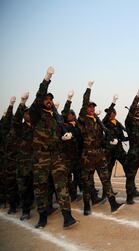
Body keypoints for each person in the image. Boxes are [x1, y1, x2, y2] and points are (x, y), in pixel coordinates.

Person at [29, 66, 78, 229]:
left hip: (57, 156)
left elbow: (62, 130)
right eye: (46, 99)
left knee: (61, 185)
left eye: (50, 99)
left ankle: (67, 216)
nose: (48, 100)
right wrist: (47, 79)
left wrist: (66, 137)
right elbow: (38, 97)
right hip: (41, 157)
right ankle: (42, 216)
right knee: (41, 188)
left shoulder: (57, 118)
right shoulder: (36, 113)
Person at [78, 80, 124, 216]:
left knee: (106, 180)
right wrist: (88, 88)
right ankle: (87, 206)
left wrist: (111, 142)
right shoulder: (83, 119)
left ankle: (113, 203)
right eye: (89, 107)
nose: (91, 109)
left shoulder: (97, 121)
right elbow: (84, 102)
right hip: (88, 156)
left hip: (99, 154)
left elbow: (101, 138)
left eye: (93, 107)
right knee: (87, 183)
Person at [13, 92, 35, 220]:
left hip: (36, 163)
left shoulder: (36, 127)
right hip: (23, 164)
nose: (28, 115)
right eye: (26, 113)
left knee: (36, 188)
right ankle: (25, 210)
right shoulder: (20, 128)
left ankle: (34, 205)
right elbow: (16, 120)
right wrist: (21, 104)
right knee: (24, 188)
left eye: (29, 113)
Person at [61, 90, 84, 201]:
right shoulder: (64, 126)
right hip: (68, 155)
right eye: (69, 114)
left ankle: (76, 192)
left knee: (78, 174)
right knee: (68, 177)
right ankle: (73, 194)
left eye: (72, 114)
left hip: (77, 154)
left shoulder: (78, 125)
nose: (71, 116)